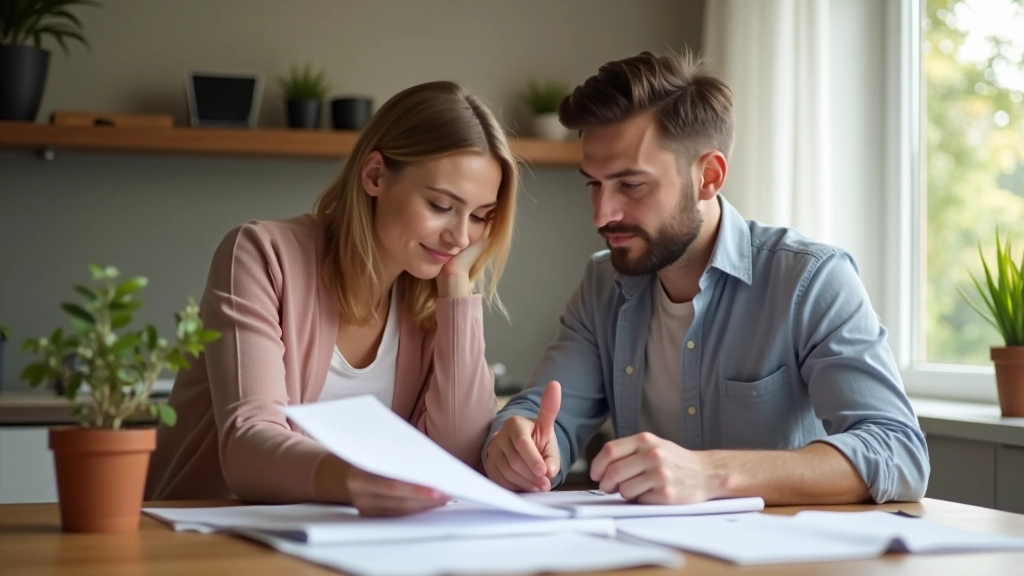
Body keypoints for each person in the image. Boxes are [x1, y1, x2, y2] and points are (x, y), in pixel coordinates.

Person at [484, 51, 929, 506]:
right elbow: (542, 419)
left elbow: (897, 450)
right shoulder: (602, 285)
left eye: (631, 185)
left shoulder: (811, 280)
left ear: (709, 177)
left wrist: (711, 473)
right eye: (594, 184)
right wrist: (518, 444)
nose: (602, 213)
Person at [147, 81, 519, 517]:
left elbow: (457, 458)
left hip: (343, 548)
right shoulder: (262, 254)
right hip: (211, 542)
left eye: (479, 217)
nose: (460, 237)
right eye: (440, 205)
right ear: (375, 175)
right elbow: (247, 443)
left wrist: (457, 290)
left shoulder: (430, 299)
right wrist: (354, 477)